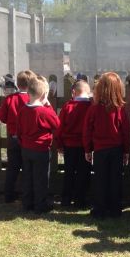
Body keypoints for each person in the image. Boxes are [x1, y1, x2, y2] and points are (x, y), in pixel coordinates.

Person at [83, 72, 130, 219]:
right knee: (115, 179)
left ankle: (99, 209)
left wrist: (87, 149)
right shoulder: (119, 109)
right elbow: (126, 131)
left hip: (100, 150)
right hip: (116, 149)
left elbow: (87, 130)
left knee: (100, 180)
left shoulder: (94, 108)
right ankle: (115, 209)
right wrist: (126, 151)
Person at [16, 75, 60, 214]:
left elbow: (19, 130)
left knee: (27, 177)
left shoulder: (22, 110)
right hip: (41, 149)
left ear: (29, 92)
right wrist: (48, 105)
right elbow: (57, 123)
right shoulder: (44, 111)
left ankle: (27, 203)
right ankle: (40, 205)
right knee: (41, 178)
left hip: (26, 149)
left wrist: (23, 143)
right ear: (44, 95)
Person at [0, 70, 35, 203]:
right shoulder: (32, 99)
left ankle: (8, 195)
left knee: (12, 168)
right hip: (28, 139)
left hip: (14, 138)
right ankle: (27, 195)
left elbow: (2, 117)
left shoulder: (10, 99)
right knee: (28, 168)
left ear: (18, 84)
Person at [55, 80, 92, 208]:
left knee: (69, 172)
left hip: (69, 145)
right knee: (83, 173)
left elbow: (59, 127)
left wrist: (59, 144)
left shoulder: (68, 107)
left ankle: (66, 199)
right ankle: (80, 200)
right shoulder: (90, 106)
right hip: (85, 146)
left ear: (73, 92)